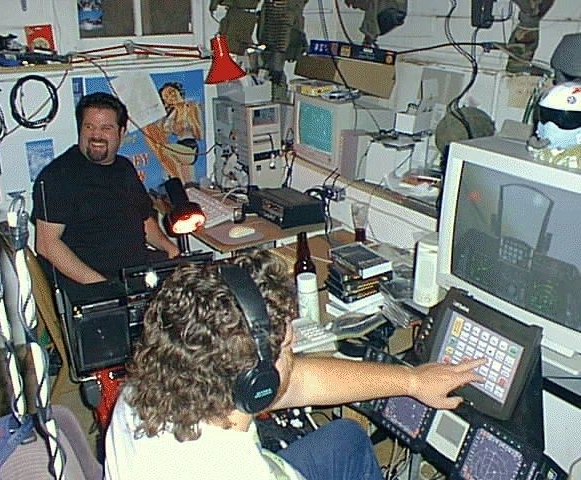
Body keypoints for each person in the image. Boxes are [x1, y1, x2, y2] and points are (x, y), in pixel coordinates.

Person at [104, 250, 485, 480]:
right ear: (257, 383)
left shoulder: (154, 378)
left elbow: (300, 380)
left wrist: (412, 381)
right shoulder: (238, 471)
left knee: (346, 438)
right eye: (288, 345)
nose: (296, 347)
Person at [31, 92, 180, 289]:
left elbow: (144, 220)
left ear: (122, 132)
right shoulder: (57, 176)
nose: (96, 135)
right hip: (91, 284)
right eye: (89, 127)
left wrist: (172, 252)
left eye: (106, 128)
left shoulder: (124, 168)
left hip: (136, 272)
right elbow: (47, 245)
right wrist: (104, 286)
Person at [142, 82, 203, 184]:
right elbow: (161, 133)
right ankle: (174, 179)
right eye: (166, 96)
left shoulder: (191, 107)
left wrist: (191, 120)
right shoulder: (171, 113)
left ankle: (179, 182)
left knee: (164, 151)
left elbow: (199, 135)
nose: (171, 96)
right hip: (178, 146)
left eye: (171, 91)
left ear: (179, 91)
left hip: (190, 149)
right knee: (149, 131)